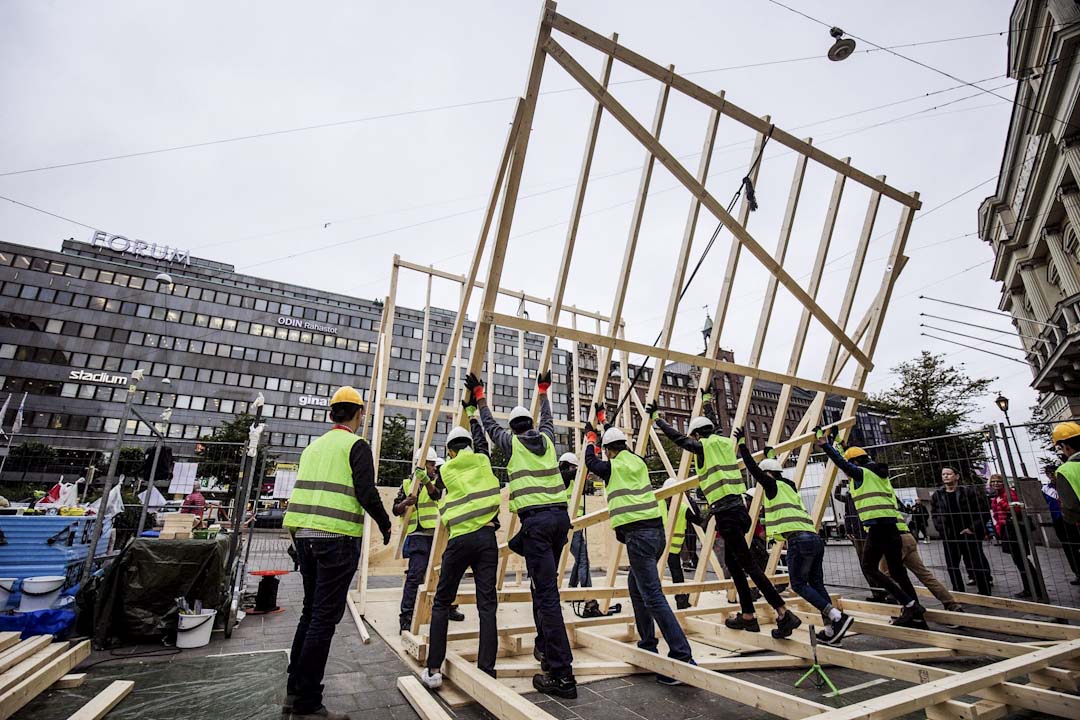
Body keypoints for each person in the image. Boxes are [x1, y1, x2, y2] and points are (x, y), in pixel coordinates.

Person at [648, 391, 800, 636]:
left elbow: (680, 440)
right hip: (737, 509)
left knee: (748, 565)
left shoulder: (704, 445)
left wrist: (658, 419)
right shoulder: (723, 442)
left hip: (727, 512)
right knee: (733, 563)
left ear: (697, 434)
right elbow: (716, 423)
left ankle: (783, 612)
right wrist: (707, 402)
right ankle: (748, 615)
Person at [283, 386, 393, 720]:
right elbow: (365, 491)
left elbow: (306, 494)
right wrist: (385, 523)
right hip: (336, 539)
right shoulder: (356, 445)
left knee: (309, 612)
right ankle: (307, 703)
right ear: (359, 414)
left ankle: (295, 690)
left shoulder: (313, 448)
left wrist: (296, 539)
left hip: (304, 537)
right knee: (322, 619)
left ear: (333, 413)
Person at [467, 369, 576, 699]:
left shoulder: (511, 444)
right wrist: (542, 391)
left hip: (538, 526)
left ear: (512, 428)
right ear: (529, 423)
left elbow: (489, 426)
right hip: (559, 522)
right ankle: (545, 649)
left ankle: (562, 675)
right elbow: (548, 417)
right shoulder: (546, 438)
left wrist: (479, 398)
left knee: (546, 597)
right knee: (543, 588)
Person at [583, 419, 697, 684]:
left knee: (653, 596)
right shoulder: (637, 462)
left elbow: (592, 463)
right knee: (636, 587)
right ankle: (647, 644)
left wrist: (590, 439)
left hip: (639, 538)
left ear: (609, 450)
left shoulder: (612, 466)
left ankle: (682, 657)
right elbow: (616, 456)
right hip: (656, 535)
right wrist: (603, 426)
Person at [736, 430, 852, 644]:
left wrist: (743, 445)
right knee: (817, 584)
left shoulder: (770, 485)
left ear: (767, 475)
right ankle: (830, 630)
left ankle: (836, 616)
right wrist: (770, 458)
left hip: (798, 540)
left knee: (798, 584)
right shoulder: (788, 486)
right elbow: (771, 472)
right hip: (815, 538)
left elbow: (754, 469)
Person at [420, 412, 503, 689]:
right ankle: (487, 669)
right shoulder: (483, 460)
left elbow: (434, 495)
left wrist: (424, 478)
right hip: (487, 539)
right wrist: (473, 417)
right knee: (487, 604)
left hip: (459, 541)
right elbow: (482, 443)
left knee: (442, 601)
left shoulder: (446, 469)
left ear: (451, 450)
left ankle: (433, 669)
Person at [814, 426, 925, 626]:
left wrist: (826, 446)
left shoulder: (861, 474)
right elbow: (850, 459)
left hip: (877, 528)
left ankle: (909, 605)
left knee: (870, 567)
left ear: (856, 463)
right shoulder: (879, 474)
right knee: (898, 571)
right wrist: (840, 441)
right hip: (892, 526)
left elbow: (842, 463)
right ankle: (915, 611)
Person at [393, 446, 462, 632]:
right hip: (417, 535)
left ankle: (448, 607)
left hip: (438, 535)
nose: (433, 468)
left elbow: (436, 494)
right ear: (421, 465)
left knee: (445, 574)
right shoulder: (408, 484)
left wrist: (427, 481)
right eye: (430, 465)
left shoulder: (439, 480)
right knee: (415, 576)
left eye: (432, 465)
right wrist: (405, 503)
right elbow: (395, 509)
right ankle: (406, 617)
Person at [877, 496, 964, 614]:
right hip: (907, 537)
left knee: (885, 575)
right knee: (924, 575)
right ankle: (951, 603)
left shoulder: (870, 504)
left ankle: (908, 605)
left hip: (891, 540)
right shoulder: (888, 498)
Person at [930, 467, 992, 595]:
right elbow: (934, 514)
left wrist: (972, 528)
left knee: (977, 564)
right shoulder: (938, 495)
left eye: (948, 474)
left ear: (957, 476)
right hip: (949, 535)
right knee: (952, 565)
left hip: (968, 534)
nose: (945, 476)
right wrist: (941, 529)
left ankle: (985, 592)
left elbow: (983, 512)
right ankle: (959, 592)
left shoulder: (969, 492)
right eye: (943, 474)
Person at [988, 474, 1042, 599]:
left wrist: (1001, 503)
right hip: (1006, 529)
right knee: (1019, 561)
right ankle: (1030, 587)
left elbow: (1016, 509)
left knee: (1022, 560)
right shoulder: (998, 495)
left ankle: (1034, 588)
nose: (995, 484)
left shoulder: (1008, 494)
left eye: (998, 481)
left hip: (1014, 530)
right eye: (993, 481)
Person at [657, 477, 697, 610]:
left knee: (676, 573)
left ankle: (681, 600)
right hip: (659, 545)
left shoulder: (683, 508)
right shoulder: (658, 504)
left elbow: (697, 520)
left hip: (672, 548)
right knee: (653, 573)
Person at [1043, 468, 1080, 585]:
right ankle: (1077, 572)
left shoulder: (1065, 485)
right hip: (1058, 519)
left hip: (1072, 518)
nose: (1051, 475)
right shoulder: (1046, 489)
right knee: (1068, 547)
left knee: (1077, 545)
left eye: (1052, 472)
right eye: (1048, 473)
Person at [560, 452, 592, 589]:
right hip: (571, 525)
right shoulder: (562, 479)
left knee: (580, 559)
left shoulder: (571, 481)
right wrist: (582, 469)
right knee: (583, 559)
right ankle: (587, 594)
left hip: (577, 525)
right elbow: (567, 475)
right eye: (573, 468)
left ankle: (572, 587)